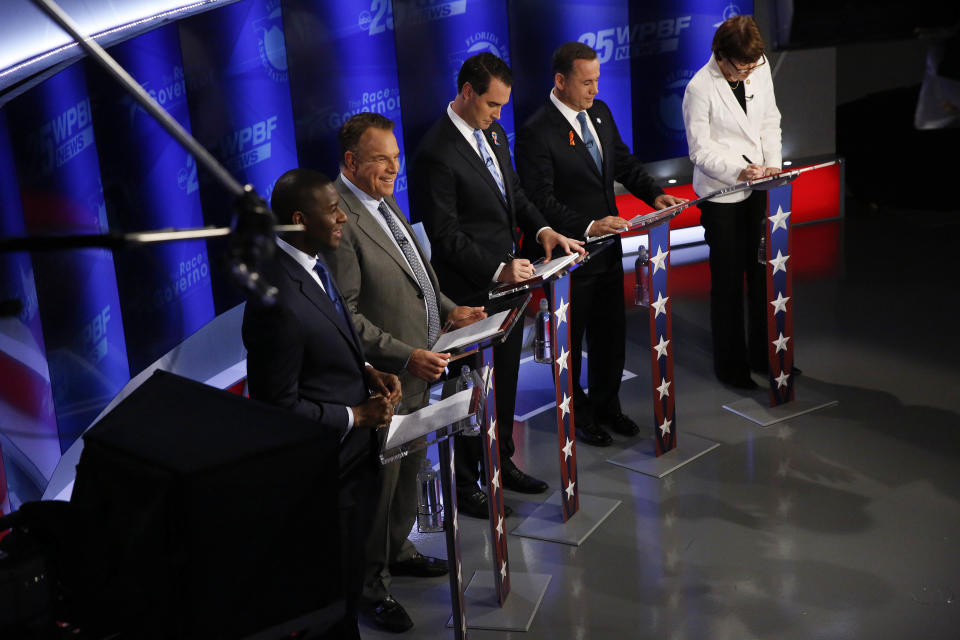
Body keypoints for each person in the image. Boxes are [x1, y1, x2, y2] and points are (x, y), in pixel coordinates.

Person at [325, 113, 486, 633]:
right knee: (381, 486)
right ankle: (371, 588)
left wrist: (448, 307)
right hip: (387, 379)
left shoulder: (381, 197)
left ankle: (397, 552)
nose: (394, 168)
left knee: (409, 475)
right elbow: (345, 314)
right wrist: (401, 355)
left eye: (396, 157)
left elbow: (416, 274)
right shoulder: (339, 216)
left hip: (422, 367)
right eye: (381, 159)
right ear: (351, 162)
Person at [410, 52, 585, 517]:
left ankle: (500, 460)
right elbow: (445, 237)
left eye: (503, 107)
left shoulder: (494, 132)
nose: (498, 115)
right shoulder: (434, 153)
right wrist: (499, 268)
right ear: (467, 92)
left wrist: (544, 230)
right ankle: (467, 483)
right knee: (469, 390)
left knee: (504, 378)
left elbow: (516, 196)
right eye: (492, 105)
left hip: (508, 284)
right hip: (468, 292)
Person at [242, 168, 401, 640]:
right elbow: (277, 409)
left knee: (349, 586)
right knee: (334, 603)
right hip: (323, 479)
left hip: (351, 468)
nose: (343, 220)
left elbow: (328, 342)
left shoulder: (312, 259)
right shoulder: (276, 299)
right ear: (298, 219)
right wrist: (357, 415)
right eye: (331, 211)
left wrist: (366, 371)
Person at [516, 41, 686, 446]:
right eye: (586, 82)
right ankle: (578, 416)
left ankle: (608, 406)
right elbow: (540, 200)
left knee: (610, 335)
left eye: (596, 81)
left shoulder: (601, 112)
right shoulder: (535, 132)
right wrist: (590, 225)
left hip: (609, 250)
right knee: (572, 344)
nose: (594, 90)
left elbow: (623, 162)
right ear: (560, 82)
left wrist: (654, 194)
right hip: (570, 257)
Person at [682, 15, 782, 389]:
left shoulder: (759, 66)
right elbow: (700, 150)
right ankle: (731, 365)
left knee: (760, 274)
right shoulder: (699, 88)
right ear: (720, 56)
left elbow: (770, 120)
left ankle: (765, 355)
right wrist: (740, 171)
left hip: (761, 186)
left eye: (751, 67)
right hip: (722, 193)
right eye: (740, 68)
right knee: (727, 281)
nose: (746, 74)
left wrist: (772, 167)